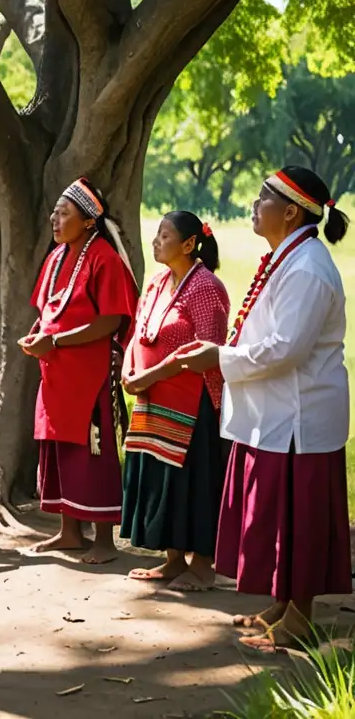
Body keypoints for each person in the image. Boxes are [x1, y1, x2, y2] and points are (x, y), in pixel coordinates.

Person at [176, 166, 351, 651]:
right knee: (276, 516)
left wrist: (219, 357)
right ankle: (281, 604)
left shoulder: (309, 268)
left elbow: (287, 349)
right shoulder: (286, 258)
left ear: (291, 211)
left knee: (299, 518)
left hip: (300, 418)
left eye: (262, 199)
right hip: (274, 415)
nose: (254, 206)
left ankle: (299, 620)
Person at [19, 178, 138, 565]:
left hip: (89, 375)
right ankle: (69, 533)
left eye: (64, 213)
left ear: (89, 221)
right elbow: (47, 312)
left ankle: (104, 539)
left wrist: (55, 342)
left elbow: (110, 320)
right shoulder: (56, 258)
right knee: (59, 447)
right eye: (54, 211)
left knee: (94, 448)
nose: (54, 219)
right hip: (56, 375)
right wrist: (39, 335)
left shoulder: (104, 257)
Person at [120, 212, 230, 591]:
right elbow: (138, 332)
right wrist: (131, 370)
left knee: (194, 481)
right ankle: (172, 560)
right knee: (161, 479)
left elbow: (206, 349)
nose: (155, 241)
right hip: (153, 400)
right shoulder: (156, 283)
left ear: (188, 244)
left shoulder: (206, 287)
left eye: (164, 236)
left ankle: (202, 566)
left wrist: (149, 376)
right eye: (157, 234)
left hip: (194, 403)